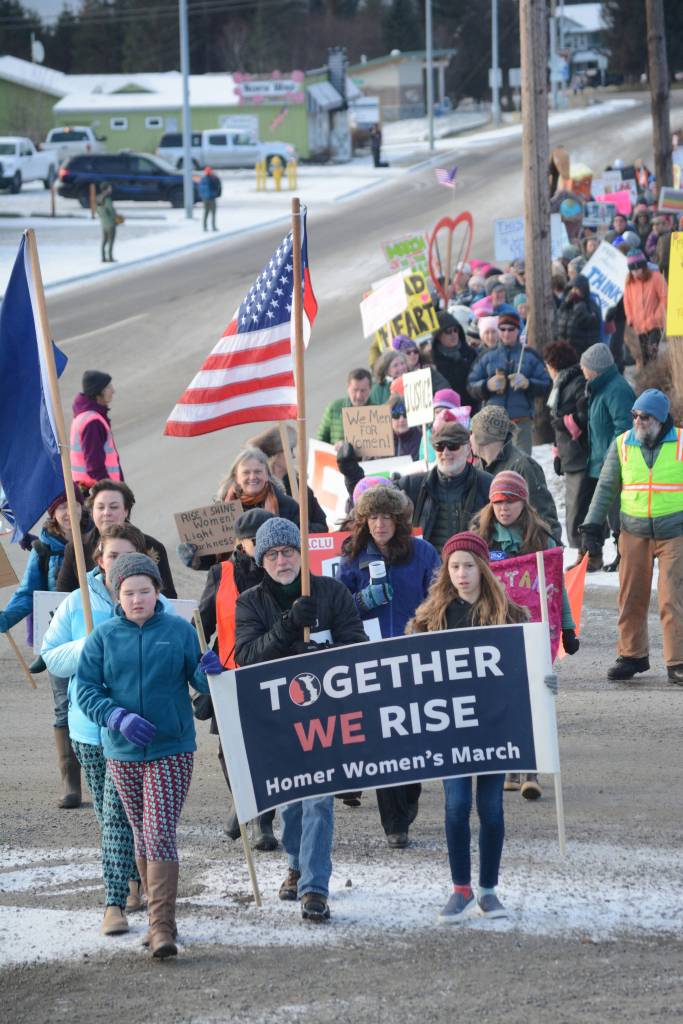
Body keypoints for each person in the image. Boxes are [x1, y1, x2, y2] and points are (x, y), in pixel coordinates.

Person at [409, 532, 557, 923]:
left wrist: (545, 679)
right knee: (457, 806)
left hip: (495, 728)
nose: (461, 574)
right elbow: (410, 670)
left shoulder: (509, 614)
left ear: (483, 569)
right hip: (450, 729)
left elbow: (528, 665)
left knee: (490, 809)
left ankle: (488, 890)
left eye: (469, 566)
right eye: (454, 566)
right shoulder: (430, 617)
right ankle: (460, 888)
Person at [77, 553, 210, 959]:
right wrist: (115, 716)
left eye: (145, 591)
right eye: (129, 592)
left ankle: (162, 928)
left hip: (171, 747)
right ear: (117, 594)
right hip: (123, 750)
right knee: (140, 831)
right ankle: (156, 916)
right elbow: (84, 690)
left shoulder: (178, 630)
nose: (137, 599)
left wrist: (212, 670)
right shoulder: (103, 637)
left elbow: (200, 680)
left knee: (158, 831)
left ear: (157, 592)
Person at [234, 518, 367, 922]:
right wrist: (289, 624)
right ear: (261, 560)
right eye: (272, 554)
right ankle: (296, 862)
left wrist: (325, 655)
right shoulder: (250, 602)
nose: (282, 560)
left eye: (289, 551)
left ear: (301, 553)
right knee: (290, 803)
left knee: (319, 801)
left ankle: (314, 887)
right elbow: (246, 657)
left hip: (324, 719)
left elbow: (357, 644)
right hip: (278, 722)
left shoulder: (331, 592)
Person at [42, 524, 164, 936]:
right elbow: (51, 657)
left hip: (138, 733)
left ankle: (116, 900)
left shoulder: (150, 603)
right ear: (99, 560)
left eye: (128, 556)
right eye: (112, 556)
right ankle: (129, 881)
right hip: (90, 730)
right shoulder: (78, 602)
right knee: (110, 814)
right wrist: (88, 645)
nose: (120, 565)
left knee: (120, 814)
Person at [337, 486, 440, 847]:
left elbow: (439, 597)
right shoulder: (352, 557)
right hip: (371, 658)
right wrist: (361, 600)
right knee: (383, 738)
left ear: (400, 521)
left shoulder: (423, 552)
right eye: (373, 517)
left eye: (387, 518)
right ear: (364, 521)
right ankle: (394, 823)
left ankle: (408, 799)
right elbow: (336, 608)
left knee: (411, 735)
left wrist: (425, 622)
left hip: (414, 655)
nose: (380, 524)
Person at [470, 471, 579, 798]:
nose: (504, 508)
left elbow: (555, 586)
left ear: (523, 502)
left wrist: (568, 627)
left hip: (532, 630)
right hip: (494, 630)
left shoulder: (541, 538)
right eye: (498, 501)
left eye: (511, 501)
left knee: (532, 699)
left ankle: (531, 770)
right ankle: (510, 767)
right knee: (501, 700)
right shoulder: (481, 538)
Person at [579, 389, 683, 685]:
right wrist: (591, 526)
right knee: (630, 596)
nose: (638, 421)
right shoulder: (623, 444)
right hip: (633, 532)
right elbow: (606, 487)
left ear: (661, 420)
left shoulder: (681, 444)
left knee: (673, 597)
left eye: (645, 417)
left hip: (675, 533)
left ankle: (678, 661)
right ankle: (632, 656)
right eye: (635, 415)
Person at [197, 508, 278, 851]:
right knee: (228, 750)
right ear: (240, 542)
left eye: (266, 540)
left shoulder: (282, 569)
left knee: (266, 750)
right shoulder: (220, 573)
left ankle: (263, 821)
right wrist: (196, 656)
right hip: (229, 673)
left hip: (271, 671)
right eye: (254, 541)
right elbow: (201, 623)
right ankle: (244, 801)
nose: (261, 547)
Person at [0, 490, 85, 808]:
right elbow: (27, 593)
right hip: (59, 639)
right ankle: (71, 784)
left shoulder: (99, 540)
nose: (67, 511)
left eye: (72, 504)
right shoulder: (43, 549)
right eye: (61, 506)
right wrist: (7, 617)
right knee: (63, 706)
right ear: (53, 512)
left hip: (97, 635)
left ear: (83, 505)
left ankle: (108, 776)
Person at [179, 447, 300, 572]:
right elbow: (213, 561)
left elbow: (305, 542)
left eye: (258, 471)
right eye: (246, 472)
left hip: (278, 577)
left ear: (267, 475)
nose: (252, 477)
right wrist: (194, 556)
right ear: (236, 477)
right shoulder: (222, 511)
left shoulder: (287, 505)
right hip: (236, 580)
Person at [58, 480, 176, 597]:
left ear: (126, 511)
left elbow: (168, 597)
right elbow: (62, 596)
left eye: (114, 507)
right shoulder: (77, 547)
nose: (106, 513)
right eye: (100, 507)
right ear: (92, 512)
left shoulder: (151, 546)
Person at [394, 420, 492, 553]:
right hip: (428, 568)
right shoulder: (412, 485)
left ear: (468, 449)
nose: (445, 452)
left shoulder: (488, 485)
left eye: (453, 446)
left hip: (470, 566)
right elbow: (379, 502)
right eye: (439, 446)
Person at [580, 344, 636, 570]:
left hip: (613, 463)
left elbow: (623, 428)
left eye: (585, 365)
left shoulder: (616, 390)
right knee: (606, 512)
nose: (582, 369)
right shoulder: (600, 388)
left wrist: (610, 459)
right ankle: (601, 555)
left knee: (617, 513)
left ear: (595, 369)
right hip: (600, 463)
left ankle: (625, 556)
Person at [469, 405, 562, 541]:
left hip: (522, 549)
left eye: (471, 432)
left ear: (482, 438)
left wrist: (550, 552)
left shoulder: (522, 466)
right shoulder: (477, 468)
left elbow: (544, 517)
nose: (469, 438)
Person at [467, 311, 551, 454]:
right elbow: (470, 385)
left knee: (521, 464)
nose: (506, 333)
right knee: (494, 464)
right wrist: (486, 386)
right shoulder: (486, 356)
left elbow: (547, 384)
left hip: (521, 421)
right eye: (503, 329)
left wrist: (528, 384)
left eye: (511, 329)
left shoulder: (530, 355)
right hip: (492, 422)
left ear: (518, 330)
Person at [544, 341, 590, 551]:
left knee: (577, 508)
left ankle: (581, 550)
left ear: (553, 365)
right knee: (573, 506)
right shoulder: (560, 384)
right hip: (568, 453)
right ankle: (578, 548)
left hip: (579, 453)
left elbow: (583, 417)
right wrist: (557, 453)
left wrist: (566, 422)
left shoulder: (576, 382)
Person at [248, 424, 327, 532]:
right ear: (277, 453)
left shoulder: (300, 487)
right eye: (290, 450)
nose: (294, 455)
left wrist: (303, 529)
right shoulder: (258, 490)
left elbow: (322, 526)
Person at [69, 370, 122, 489]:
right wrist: (111, 490)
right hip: (97, 490)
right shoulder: (92, 422)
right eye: (108, 387)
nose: (113, 391)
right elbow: (94, 465)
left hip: (90, 488)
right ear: (99, 392)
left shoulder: (84, 416)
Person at [622, 250, 668, 365]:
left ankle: (655, 376)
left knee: (652, 352)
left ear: (643, 266)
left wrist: (655, 317)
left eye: (637, 269)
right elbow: (627, 301)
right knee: (644, 357)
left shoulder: (656, 278)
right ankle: (648, 378)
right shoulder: (629, 282)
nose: (635, 272)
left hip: (655, 324)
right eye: (632, 270)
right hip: (639, 326)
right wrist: (630, 318)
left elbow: (664, 298)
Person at [430, 311, 477, 408]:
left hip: (473, 408)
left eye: (456, 330)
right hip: (447, 410)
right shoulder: (432, 360)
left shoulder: (471, 353)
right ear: (438, 335)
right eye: (448, 331)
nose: (453, 334)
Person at [317, 369, 372, 448]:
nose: (358, 396)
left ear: (370, 389)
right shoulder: (334, 408)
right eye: (355, 390)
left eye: (363, 391)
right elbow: (321, 440)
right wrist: (334, 448)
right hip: (338, 459)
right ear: (348, 388)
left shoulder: (378, 412)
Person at [552, 274, 602, 356]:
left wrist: (579, 306)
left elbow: (591, 325)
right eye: (572, 288)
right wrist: (566, 303)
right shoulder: (566, 304)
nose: (573, 291)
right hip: (564, 350)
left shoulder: (590, 306)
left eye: (576, 289)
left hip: (581, 352)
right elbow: (559, 319)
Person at [96, 182, 117, 262]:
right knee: (111, 241)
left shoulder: (98, 198)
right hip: (110, 223)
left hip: (103, 223)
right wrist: (115, 218)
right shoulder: (107, 199)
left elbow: (98, 210)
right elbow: (111, 211)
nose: (110, 189)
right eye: (109, 188)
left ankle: (103, 257)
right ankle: (110, 257)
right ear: (106, 189)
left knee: (104, 241)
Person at [198, 166, 221, 231]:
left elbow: (200, 189)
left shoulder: (203, 179)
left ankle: (205, 227)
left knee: (206, 212)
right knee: (213, 213)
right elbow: (217, 187)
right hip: (211, 198)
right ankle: (213, 227)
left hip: (205, 199)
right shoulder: (213, 179)